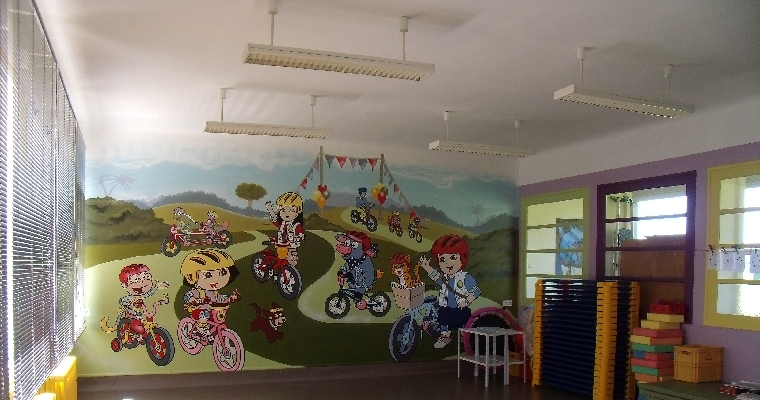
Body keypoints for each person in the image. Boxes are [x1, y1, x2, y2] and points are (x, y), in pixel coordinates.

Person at [419, 234, 481, 349]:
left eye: (453, 258)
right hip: (445, 306)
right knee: (444, 321)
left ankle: (465, 337)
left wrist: (467, 301)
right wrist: (427, 267)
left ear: (462, 258)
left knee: (462, 323)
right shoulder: (444, 277)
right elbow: (436, 277)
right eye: (443, 259)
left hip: (460, 307)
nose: (447, 263)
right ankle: (445, 336)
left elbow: (476, 291)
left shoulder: (465, 277)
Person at [181, 249, 241, 338]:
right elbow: (188, 295)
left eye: (223, 273)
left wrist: (231, 298)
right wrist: (194, 300)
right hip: (198, 311)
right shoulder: (198, 291)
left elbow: (221, 298)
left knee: (217, 318)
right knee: (205, 314)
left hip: (213, 312)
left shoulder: (214, 293)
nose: (217, 279)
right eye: (208, 275)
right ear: (191, 277)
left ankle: (211, 335)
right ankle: (199, 330)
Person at [117, 263, 169, 338]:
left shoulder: (141, 296)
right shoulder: (131, 298)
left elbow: (148, 294)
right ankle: (137, 335)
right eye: (136, 280)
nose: (141, 283)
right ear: (124, 285)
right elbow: (122, 301)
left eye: (146, 277)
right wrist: (129, 304)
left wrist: (157, 287)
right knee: (140, 329)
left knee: (145, 326)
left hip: (140, 317)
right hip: (132, 318)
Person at [266, 192, 305, 267]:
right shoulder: (282, 224)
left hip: (291, 246)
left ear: (298, 212)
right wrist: (271, 210)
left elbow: (300, 234)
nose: (286, 213)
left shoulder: (296, 225)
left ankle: (289, 270)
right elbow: (275, 221)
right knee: (280, 259)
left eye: (291, 210)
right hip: (281, 245)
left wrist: (298, 238)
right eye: (283, 210)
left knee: (292, 260)